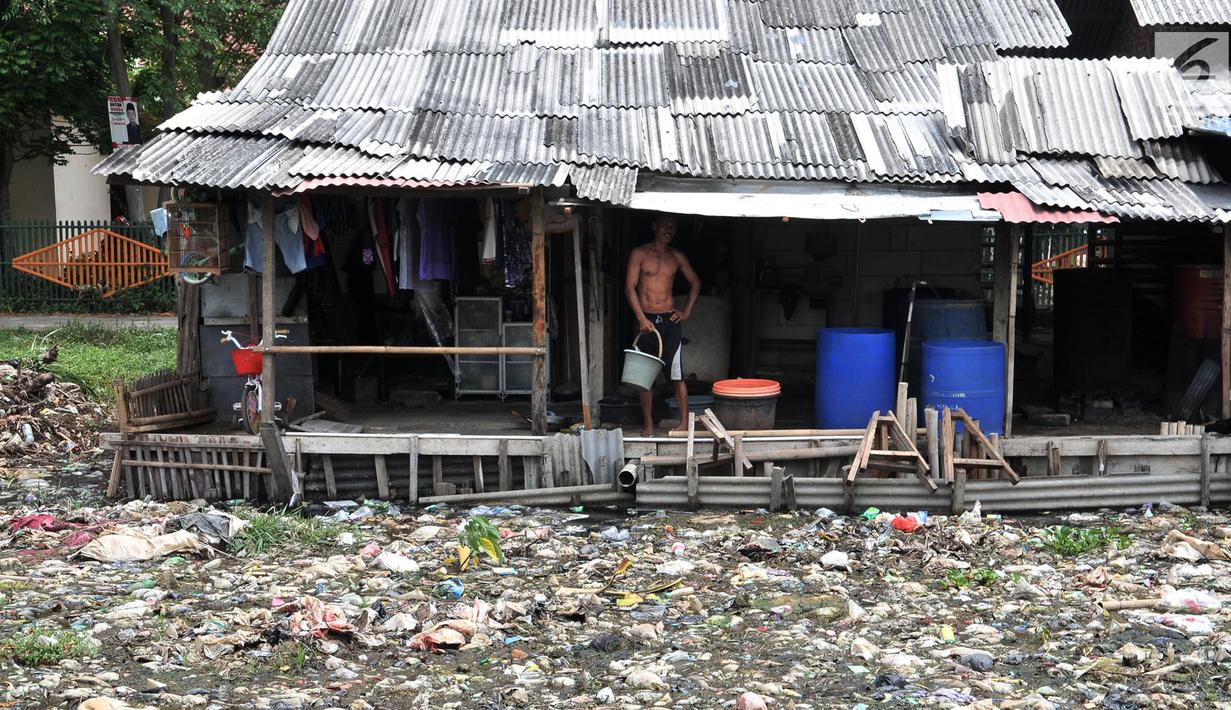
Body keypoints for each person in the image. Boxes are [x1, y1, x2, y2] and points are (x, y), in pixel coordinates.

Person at [625, 213, 701, 436]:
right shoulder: (639, 253)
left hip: (669, 321)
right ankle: (648, 424)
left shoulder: (676, 257)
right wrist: (641, 318)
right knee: (644, 376)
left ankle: (684, 423)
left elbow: (695, 283)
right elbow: (630, 288)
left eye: (673, 227)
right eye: (666, 225)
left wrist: (685, 311)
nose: (669, 230)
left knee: (677, 375)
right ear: (654, 226)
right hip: (645, 319)